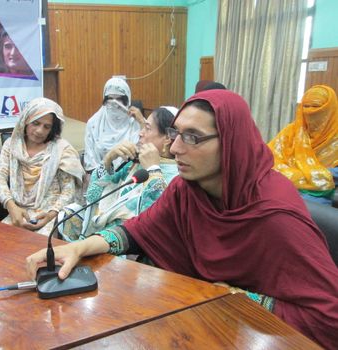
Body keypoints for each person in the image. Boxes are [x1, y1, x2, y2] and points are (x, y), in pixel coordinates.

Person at [26, 89, 338, 349]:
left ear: (230, 140)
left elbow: (329, 317)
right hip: (203, 322)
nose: (174, 148)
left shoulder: (276, 216)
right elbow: (142, 228)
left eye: (192, 137)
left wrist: (247, 300)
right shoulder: (188, 189)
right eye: (176, 133)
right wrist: (81, 247)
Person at [58, 106, 179, 242]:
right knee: (68, 214)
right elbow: (92, 196)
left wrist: (152, 169)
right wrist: (109, 160)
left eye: (148, 128)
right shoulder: (134, 162)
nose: (140, 133)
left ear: (168, 138)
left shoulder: (176, 177)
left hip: (131, 241)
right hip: (104, 231)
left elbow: (156, 221)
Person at [0, 97, 84, 236]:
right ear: (26, 121)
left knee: (39, 247)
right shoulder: (11, 145)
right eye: (36, 123)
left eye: (46, 127)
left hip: (51, 214)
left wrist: (51, 215)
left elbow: (68, 191)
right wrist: (12, 207)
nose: (40, 130)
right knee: (0, 241)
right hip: (18, 211)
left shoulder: (62, 150)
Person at [268, 85, 338, 205]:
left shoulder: (335, 137)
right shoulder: (291, 131)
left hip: (317, 196)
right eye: (306, 106)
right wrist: (309, 175)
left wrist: (318, 176)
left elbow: (332, 175)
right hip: (284, 187)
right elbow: (269, 157)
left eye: (316, 107)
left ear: (330, 109)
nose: (310, 111)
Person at [83, 77, 140, 173]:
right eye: (110, 98)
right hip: (100, 177)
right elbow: (91, 163)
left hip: (129, 177)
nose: (114, 103)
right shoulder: (94, 124)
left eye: (119, 99)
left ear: (127, 100)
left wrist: (142, 121)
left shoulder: (135, 122)